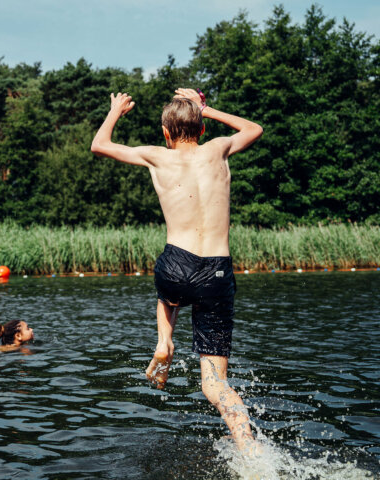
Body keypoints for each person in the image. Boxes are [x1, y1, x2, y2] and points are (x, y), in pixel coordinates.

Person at [90, 88, 263, 453]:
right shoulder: (218, 148)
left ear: (166, 134)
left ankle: (164, 340)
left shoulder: (157, 157)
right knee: (214, 384)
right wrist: (207, 108)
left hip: (176, 266)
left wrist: (116, 111)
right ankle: (251, 450)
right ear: (201, 130)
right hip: (217, 272)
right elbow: (253, 129)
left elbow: (99, 145)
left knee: (168, 290)